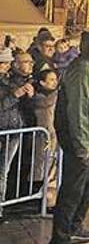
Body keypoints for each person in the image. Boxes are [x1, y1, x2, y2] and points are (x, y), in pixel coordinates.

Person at [50, 31, 89, 244]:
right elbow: (77, 109)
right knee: (73, 188)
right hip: (78, 137)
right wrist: (83, 146)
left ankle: (75, 225)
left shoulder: (88, 68)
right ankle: (61, 236)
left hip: (87, 136)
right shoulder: (82, 69)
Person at [0, 48, 34, 219]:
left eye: (6, 63)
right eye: (3, 63)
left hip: (14, 130)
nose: (5, 67)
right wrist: (16, 95)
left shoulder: (10, 81)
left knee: (5, 171)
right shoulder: (10, 83)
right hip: (5, 130)